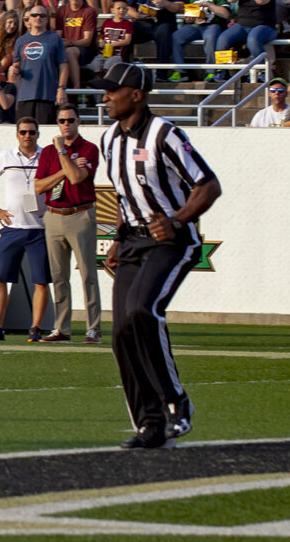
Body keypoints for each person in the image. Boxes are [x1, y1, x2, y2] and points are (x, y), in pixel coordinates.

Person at [92, 62, 222, 449]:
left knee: (141, 311)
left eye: (113, 90)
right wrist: (117, 237)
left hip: (172, 241)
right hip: (132, 241)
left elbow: (209, 184)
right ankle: (149, 424)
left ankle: (175, 402)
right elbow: (122, 194)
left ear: (137, 94)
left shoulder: (165, 133)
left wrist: (178, 220)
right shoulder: (109, 140)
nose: (106, 97)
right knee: (121, 333)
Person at [0, 118, 54, 342]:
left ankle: (36, 328)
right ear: (17, 134)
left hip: (39, 229)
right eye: (23, 132)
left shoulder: (47, 157)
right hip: (12, 228)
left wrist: (51, 209)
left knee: (41, 281)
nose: (27, 136)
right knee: (0, 278)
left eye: (31, 132)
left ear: (38, 134)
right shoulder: (6, 157)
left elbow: (59, 184)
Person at [35, 105, 102, 344]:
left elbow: (77, 178)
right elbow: (39, 186)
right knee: (59, 275)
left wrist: (63, 153)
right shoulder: (48, 153)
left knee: (87, 275)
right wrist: (66, 167)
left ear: (78, 122)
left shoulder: (89, 149)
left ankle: (93, 328)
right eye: (62, 120)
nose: (66, 124)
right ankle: (61, 328)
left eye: (70, 120)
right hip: (53, 215)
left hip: (80, 215)